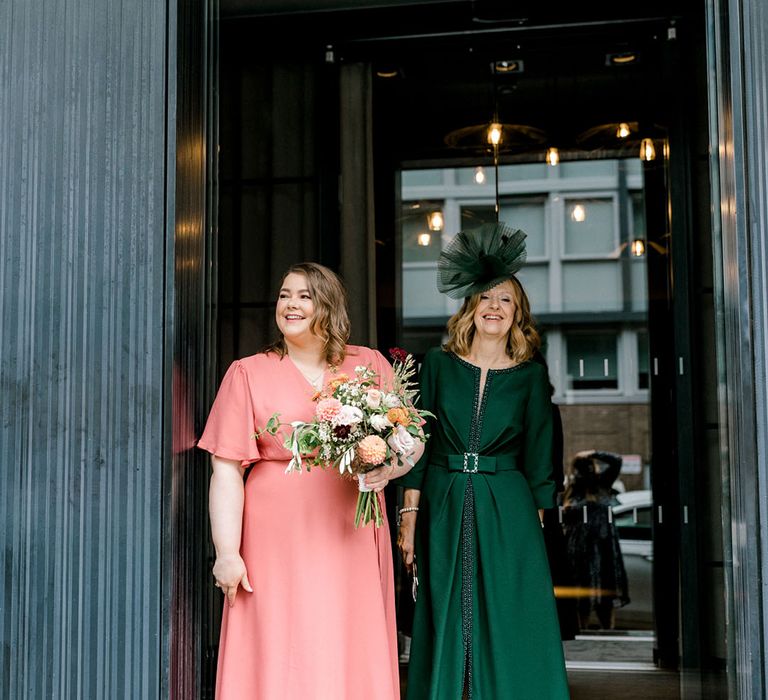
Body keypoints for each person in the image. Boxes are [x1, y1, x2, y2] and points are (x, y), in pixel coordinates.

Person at [197, 262, 423, 699]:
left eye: (304, 295)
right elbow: (225, 470)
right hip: (273, 535)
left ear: (329, 305)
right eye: (285, 295)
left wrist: (390, 467)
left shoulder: (369, 365)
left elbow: (411, 438)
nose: (291, 304)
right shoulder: (247, 372)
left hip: (350, 529)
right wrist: (227, 553)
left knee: (345, 631)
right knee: (278, 635)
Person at [396, 223, 570, 699]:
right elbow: (418, 441)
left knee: (510, 606)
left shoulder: (531, 378)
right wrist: (410, 513)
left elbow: (539, 461)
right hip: (443, 497)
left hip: (509, 505)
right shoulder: (435, 363)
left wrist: (535, 525)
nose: (495, 307)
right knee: (444, 603)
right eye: (486, 298)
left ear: (518, 314)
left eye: (505, 300)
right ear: (471, 308)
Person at [562, 450, 630, 630]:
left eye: (588, 465)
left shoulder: (602, 484)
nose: (585, 471)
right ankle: (581, 631)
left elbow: (616, 460)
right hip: (580, 552)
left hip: (603, 548)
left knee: (605, 598)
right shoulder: (570, 492)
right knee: (581, 599)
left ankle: (608, 631)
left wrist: (593, 453)